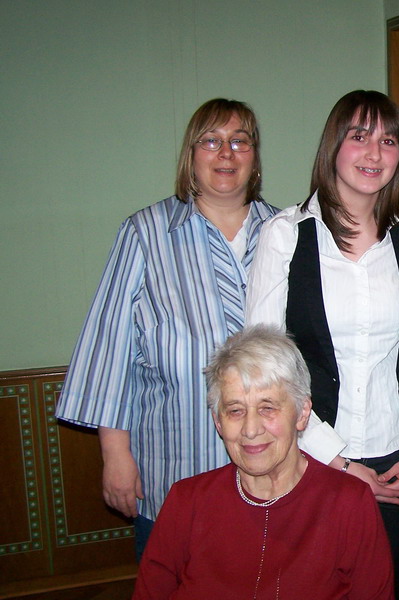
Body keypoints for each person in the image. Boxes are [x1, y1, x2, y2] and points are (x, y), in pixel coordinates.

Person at [56, 98, 279, 559]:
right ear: (190, 156)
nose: (226, 153)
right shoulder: (145, 234)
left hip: (275, 470)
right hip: (177, 469)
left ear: (254, 158)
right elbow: (109, 350)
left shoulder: (288, 231)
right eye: (211, 141)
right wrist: (115, 456)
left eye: (240, 141)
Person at [245, 89, 399, 597]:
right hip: (309, 458)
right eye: (359, 137)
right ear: (334, 145)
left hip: (395, 462)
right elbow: (264, 369)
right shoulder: (285, 235)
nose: (374, 153)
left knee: (383, 586)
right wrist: (336, 460)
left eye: (388, 140)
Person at [133, 325, 394, 599]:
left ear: (303, 413)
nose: (250, 429)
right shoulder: (186, 502)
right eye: (235, 410)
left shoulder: (349, 503)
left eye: (267, 408)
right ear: (217, 421)